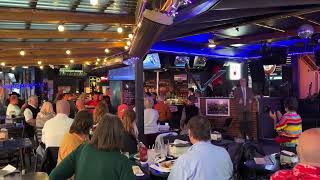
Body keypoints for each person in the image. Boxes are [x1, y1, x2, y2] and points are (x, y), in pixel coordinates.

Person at [49, 114, 135, 180]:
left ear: (97, 130)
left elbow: (54, 176)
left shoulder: (81, 149)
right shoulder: (123, 162)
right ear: (119, 135)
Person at [168, 116, 233, 180]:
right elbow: (230, 175)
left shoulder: (185, 160)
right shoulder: (224, 152)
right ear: (210, 133)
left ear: (190, 133)